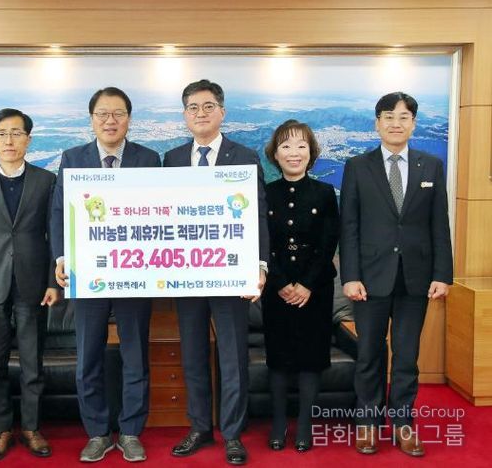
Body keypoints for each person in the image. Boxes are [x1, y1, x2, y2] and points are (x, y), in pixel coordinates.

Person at [339, 92, 453, 457]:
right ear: (377, 123)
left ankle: (403, 423)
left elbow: (439, 224)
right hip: (369, 279)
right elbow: (349, 226)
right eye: (388, 116)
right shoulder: (358, 166)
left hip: (416, 278)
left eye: (404, 117)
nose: (395, 123)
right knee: (369, 354)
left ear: (413, 124)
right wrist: (350, 276)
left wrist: (442, 274)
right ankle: (368, 423)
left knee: (406, 355)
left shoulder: (430, 165)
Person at [51, 87, 160, 463]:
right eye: (102, 114)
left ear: (129, 119)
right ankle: (97, 432)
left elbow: (162, 209)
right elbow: (58, 212)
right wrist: (62, 257)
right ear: (91, 119)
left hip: (135, 273)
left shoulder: (149, 159)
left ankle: (130, 431)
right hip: (88, 273)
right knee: (88, 358)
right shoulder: (73, 157)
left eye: (118, 114)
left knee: (135, 356)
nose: (110, 121)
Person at [163, 79, 269, 466]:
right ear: (184, 115)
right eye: (193, 107)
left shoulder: (245, 156)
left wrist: (260, 265)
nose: (201, 113)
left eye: (208, 106)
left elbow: (258, 215)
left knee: (232, 358)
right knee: (192, 354)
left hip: (231, 274)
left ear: (222, 112)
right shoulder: (172, 159)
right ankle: (199, 427)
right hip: (187, 274)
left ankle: (233, 434)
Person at [0, 108, 59, 462]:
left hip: (33, 282)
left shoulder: (46, 181)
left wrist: (52, 281)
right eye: (1, 134)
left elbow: (53, 236)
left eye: (16, 133)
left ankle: (31, 428)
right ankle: (2, 429)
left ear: (28, 139)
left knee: (33, 361)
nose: (9, 140)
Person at [262, 119, 339, 452]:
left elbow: (328, 243)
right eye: (286, 146)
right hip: (275, 289)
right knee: (279, 357)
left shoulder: (324, 193)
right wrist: (280, 283)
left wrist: (306, 284)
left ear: (311, 152)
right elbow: (263, 244)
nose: (294, 152)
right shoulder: (265, 193)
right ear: (275, 154)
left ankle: (305, 425)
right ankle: (279, 424)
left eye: (301, 146)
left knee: (311, 357)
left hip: (315, 291)